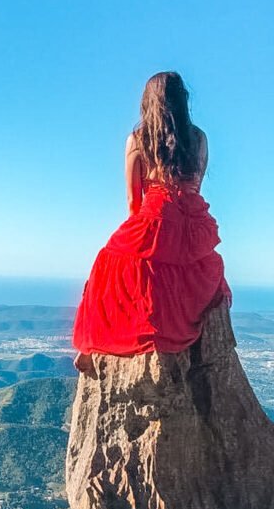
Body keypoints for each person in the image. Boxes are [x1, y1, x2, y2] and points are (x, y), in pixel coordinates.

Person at [72, 71, 231, 369]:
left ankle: (95, 343)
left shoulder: (138, 139)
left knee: (107, 264)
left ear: (148, 102)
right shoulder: (198, 138)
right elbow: (196, 186)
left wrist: (143, 243)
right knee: (190, 266)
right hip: (195, 222)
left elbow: (134, 200)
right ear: (183, 100)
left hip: (157, 217)